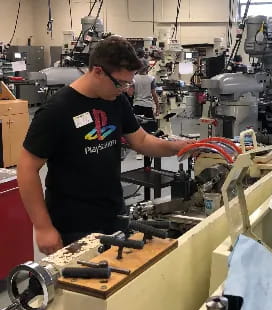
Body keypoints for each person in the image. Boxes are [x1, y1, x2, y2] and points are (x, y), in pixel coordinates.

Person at [17, 36, 194, 255]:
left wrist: (178, 147)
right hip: (74, 223)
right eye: (121, 83)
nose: (125, 89)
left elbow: (141, 140)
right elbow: (26, 168)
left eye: (129, 83)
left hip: (114, 212)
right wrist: (43, 227)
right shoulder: (57, 111)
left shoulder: (116, 100)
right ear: (98, 71)